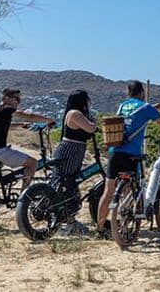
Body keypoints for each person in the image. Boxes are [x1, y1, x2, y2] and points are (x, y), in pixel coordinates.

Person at [95, 80, 160, 239]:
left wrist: (153, 108)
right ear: (142, 92)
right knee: (134, 185)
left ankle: (100, 229)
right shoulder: (146, 108)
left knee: (108, 191)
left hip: (114, 151)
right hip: (131, 153)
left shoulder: (122, 106)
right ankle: (129, 223)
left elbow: (133, 116)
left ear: (128, 93)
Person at [0, 88, 56, 191]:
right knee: (32, 163)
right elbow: (28, 116)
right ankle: (24, 198)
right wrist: (48, 120)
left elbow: (4, 125)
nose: (18, 102)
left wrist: (21, 125)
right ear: (6, 98)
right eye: (16, 99)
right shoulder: (6, 109)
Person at [51, 90, 96, 227]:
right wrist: (95, 122)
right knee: (67, 182)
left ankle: (67, 217)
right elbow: (90, 128)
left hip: (74, 150)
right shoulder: (75, 114)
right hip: (70, 150)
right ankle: (67, 218)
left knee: (68, 182)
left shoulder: (73, 113)